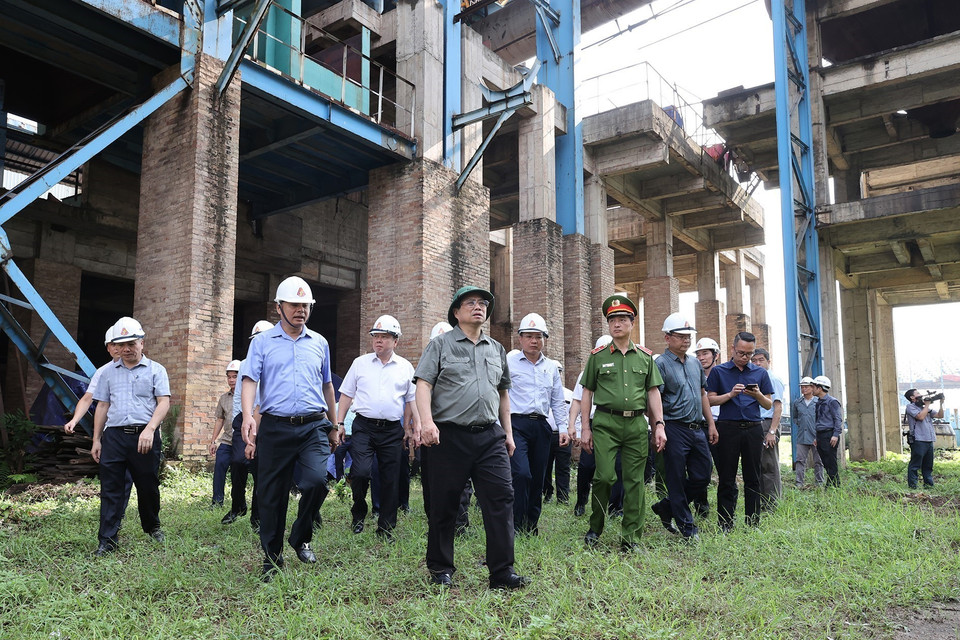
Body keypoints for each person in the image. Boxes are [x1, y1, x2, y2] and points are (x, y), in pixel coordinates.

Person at [413, 286, 528, 590]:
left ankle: (502, 572)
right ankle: (440, 568)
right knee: (444, 503)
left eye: (483, 303)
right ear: (456, 311)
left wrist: (508, 433)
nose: (478, 307)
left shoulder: (496, 349)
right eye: (471, 303)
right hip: (448, 435)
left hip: (490, 435)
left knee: (501, 498)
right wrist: (426, 423)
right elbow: (423, 385)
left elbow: (503, 393)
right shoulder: (440, 345)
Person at [241, 277, 339, 580]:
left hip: (313, 426)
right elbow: (249, 381)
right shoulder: (262, 343)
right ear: (278, 307)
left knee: (316, 482)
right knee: (272, 495)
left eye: (305, 305)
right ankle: (272, 559)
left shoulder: (319, 343)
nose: (301, 310)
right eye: (294, 305)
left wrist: (334, 426)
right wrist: (248, 416)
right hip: (274, 427)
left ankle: (300, 537)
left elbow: (328, 387)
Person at [580, 294, 665, 551]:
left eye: (622, 319)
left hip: (637, 425)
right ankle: (596, 525)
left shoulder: (645, 357)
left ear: (631, 322)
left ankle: (631, 538)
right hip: (606, 423)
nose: (617, 324)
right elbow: (586, 392)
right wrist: (585, 428)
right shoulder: (597, 356)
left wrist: (659, 424)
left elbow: (653, 392)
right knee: (604, 477)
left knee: (635, 481)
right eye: (612, 320)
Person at [90, 317, 171, 556]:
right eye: (121, 344)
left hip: (143, 436)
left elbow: (164, 402)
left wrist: (150, 429)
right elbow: (103, 406)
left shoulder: (157, 370)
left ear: (142, 343)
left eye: (131, 343)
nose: (126, 349)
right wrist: (96, 439)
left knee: (147, 486)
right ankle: (107, 539)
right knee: (111, 488)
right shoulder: (107, 373)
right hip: (114, 437)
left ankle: (152, 526)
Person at [336, 314, 419, 541]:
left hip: (392, 430)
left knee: (390, 477)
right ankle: (359, 512)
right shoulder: (360, 364)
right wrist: (340, 423)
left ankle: (386, 527)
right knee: (361, 472)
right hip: (364, 427)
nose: (378, 341)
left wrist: (412, 427)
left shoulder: (404, 367)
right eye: (375, 336)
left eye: (384, 337)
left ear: (396, 341)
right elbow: (346, 394)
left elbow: (412, 400)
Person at [649, 313, 717, 542]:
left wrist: (711, 424)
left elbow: (702, 394)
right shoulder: (660, 364)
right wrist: (658, 427)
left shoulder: (695, 364)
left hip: (697, 428)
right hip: (674, 427)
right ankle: (687, 527)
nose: (686, 341)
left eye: (688, 336)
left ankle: (666, 506)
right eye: (681, 336)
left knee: (703, 475)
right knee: (676, 478)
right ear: (667, 338)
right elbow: (653, 397)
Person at [706, 331, 773, 531]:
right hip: (728, 428)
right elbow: (709, 399)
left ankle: (753, 522)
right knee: (727, 477)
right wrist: (730, 394)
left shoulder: (760, 373)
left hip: (753, 428)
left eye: (749, 354)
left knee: (753, 477)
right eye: (742, 352)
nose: (745, 357)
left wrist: (758, 394)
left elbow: (769, 404)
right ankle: (725, 523)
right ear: (733, 349)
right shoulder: (719, 372)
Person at [507, 313, 567, 535]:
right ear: (520, 338)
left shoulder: (550, 367)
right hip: (516, 425)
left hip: (541, 426)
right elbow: (499, 395)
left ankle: (531, 525)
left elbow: (557, 401)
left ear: (545, 339)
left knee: (538, 477)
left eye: (539, 336)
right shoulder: (508, 362)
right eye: (529, 336)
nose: (534, 341)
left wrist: (562, 428)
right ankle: (516, 522)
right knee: (521, 474)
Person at [222, 320, 273, 529]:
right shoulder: (244, 364)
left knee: (261, 470)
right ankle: (238, 505)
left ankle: (257, 517)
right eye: (255, 340)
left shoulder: (276, 364)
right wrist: (241, 419)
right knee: (237, 462)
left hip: (267, 421)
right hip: (244, 418)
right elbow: (238, 397)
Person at [567, 335, 625, 518]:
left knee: (618, 467)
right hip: (592, 424)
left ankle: (616, 507)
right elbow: (577, 400)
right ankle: (581, 501)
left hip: (617, 423)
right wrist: (573, 425)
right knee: (587, 465)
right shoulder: (587, 372)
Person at [690, 337, 721, 517]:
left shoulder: (724, 374)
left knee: (723, 467)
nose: (702, 358)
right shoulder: (693, 375)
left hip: (719, 425)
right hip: (698, 426)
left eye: (706, 353)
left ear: (715, 355)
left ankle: (725, 507)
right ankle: (701, 506)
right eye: (699, 354)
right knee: (701, 468)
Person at [751, 348, 784, 509]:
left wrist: (772, 431)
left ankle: (772, 504)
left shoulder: (773, 379)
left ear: (768, 362)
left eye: (760, 360)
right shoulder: (756, 379)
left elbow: (777, 407)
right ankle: (762, 502)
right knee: (760, 465)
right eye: (754, 360)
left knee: (769, 465)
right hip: (757, 424)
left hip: (768, 424)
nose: (757, 363)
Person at [208, 360, 241, 508]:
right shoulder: (224, 398)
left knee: (239, 472)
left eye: (235, 376)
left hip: (244, 441)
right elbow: (220, 419)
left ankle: (240, 503)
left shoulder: (250, 395)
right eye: (229, 377)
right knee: (220, 467)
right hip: (227, 441)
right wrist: (213, 440)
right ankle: (217, 501)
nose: (232, 380)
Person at [903, 388, 943, 489]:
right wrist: (927, 405)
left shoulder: (925, 407)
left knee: (928, 465)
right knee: (915, 464)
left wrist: (941, 404)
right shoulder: (910, 407)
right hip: (918, 439)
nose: (921, 395)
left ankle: (929, 485)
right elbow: (920, 417)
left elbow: (939, 415)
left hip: (929, 439)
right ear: (912, 397)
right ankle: (913, 486)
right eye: (918, 394)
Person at [791, 376, 823, 488]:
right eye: (802, 387)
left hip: (816, 436)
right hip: (802, 436)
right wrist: (801, 423)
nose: (804, 389)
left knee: (818, 461)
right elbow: (794, 417)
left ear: (812, 387)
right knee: (800, 460)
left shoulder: (818, 402)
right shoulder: (797, 403)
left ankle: (819, 483)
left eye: (806, 387)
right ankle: (799, 483)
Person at [812, 376, 843, 488]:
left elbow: (838, 419)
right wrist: (816, 437)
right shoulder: (818, 402)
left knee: (831, 461)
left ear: (820, 388)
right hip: (820, 435)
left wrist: (835, 435)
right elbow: (818, 421)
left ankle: (834, 485)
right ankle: (831, 484)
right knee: (825, 461)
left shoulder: (832, 402)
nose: (812, 389)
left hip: (829, 435)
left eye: (814, 387)